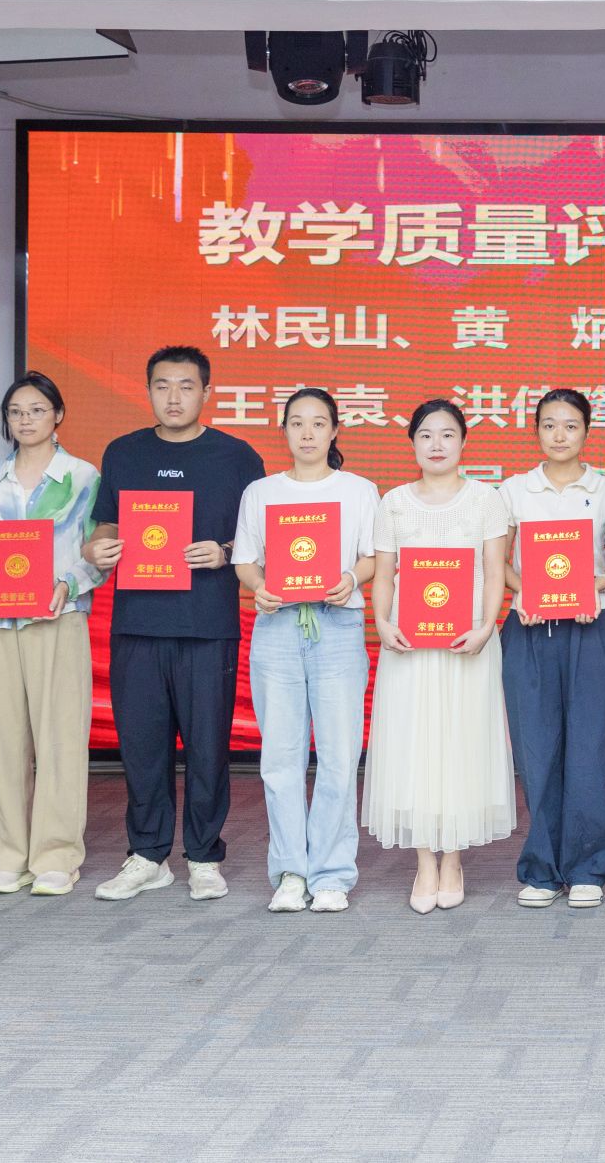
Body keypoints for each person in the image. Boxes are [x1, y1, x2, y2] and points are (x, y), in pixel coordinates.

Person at [84, 346, 264, 903]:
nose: (174, 397)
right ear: (148, 391)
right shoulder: (123, 452)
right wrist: (97, 548)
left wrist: (224, 551)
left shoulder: (237, 457)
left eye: (186, 386)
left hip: (207, 626)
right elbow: (104, 524)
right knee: (142, 748)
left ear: (207, 392)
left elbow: (261, 541)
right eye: (162, 386)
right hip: (137, 624)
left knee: (208, 748)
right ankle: (148, 855)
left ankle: (204, 857)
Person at [364, 398, 515, 913]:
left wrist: (486, 627)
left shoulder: (485, 500)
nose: (436, 444)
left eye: (447, 434)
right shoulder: (394, 502)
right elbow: (384, 575)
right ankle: (425, 861)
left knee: (460, 743)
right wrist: (382, 622)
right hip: (409, 645)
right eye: (426, 435)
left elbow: (494, 572)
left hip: (467, 642)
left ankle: (453, 859)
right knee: (415, 745)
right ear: (412, 442)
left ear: (463, 442)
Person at [233, 388, 378, 915]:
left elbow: (373, 557)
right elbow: (245, 560)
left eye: (319, 423)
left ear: (335, 430)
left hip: (338, 627)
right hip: (277, 629)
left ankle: (333, 873)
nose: (308, 433)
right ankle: (291, 871)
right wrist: (259, 587)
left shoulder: (359, 490)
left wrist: (350, 579)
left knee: (339, 755)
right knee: (281, 758)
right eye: (297, 423)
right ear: (284, 430)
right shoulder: (261, 492)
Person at [0, 372, 104, 897]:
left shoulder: (83, 477)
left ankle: (56, 856)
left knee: (60, 739)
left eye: (37, 410)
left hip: (56, 618)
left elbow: (98, 553)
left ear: (58, 415)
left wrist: (70, 583)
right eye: (16, 412)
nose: (26, 420)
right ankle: (5, 857)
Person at [499, 388, 605, 909]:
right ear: (536, 431)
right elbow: (497, 561)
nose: (559, 435)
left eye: (570, 425)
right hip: (529, 629)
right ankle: (542, 869)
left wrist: (600, 584)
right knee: (537, 752)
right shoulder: (513, 490)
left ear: (586, 431)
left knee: (589, 751)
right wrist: (522, 590)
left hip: (591, 629)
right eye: (549, 425)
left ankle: (589, 866)